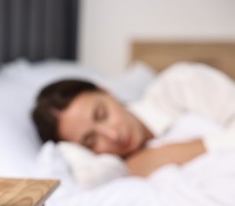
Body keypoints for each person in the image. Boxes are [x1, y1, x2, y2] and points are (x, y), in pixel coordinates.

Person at [32, 62, 235, 177]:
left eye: (102, 114)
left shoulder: (181, 86)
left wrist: (165, 155)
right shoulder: (114, 171)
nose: (112, 135)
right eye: (91, 141)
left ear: (107, 92)